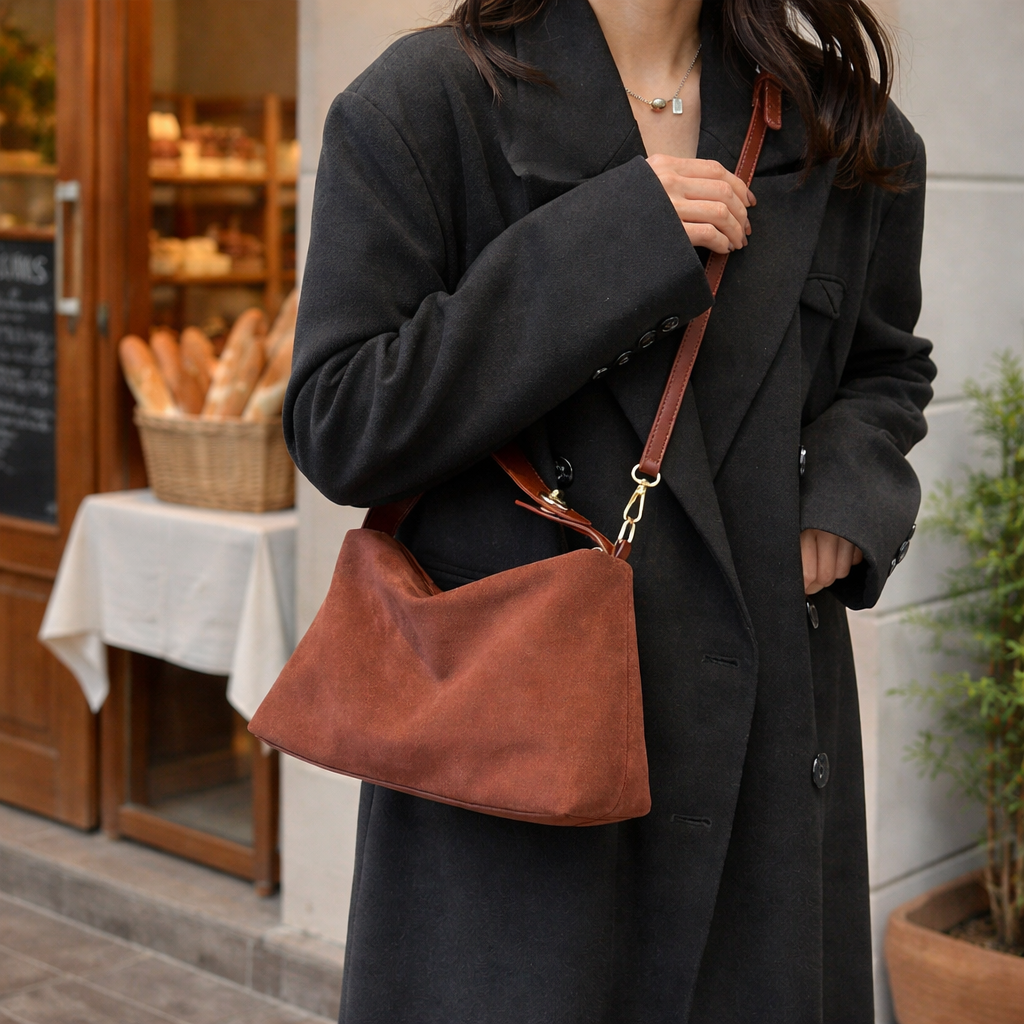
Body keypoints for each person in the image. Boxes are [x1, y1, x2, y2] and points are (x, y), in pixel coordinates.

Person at [287, 0, 935, 1020]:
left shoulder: (841, 129)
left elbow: (884, 365)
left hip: (758, 746)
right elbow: (342, 421)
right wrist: (609, 244)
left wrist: (849, 493)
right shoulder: (424, 105)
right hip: (515, 756)